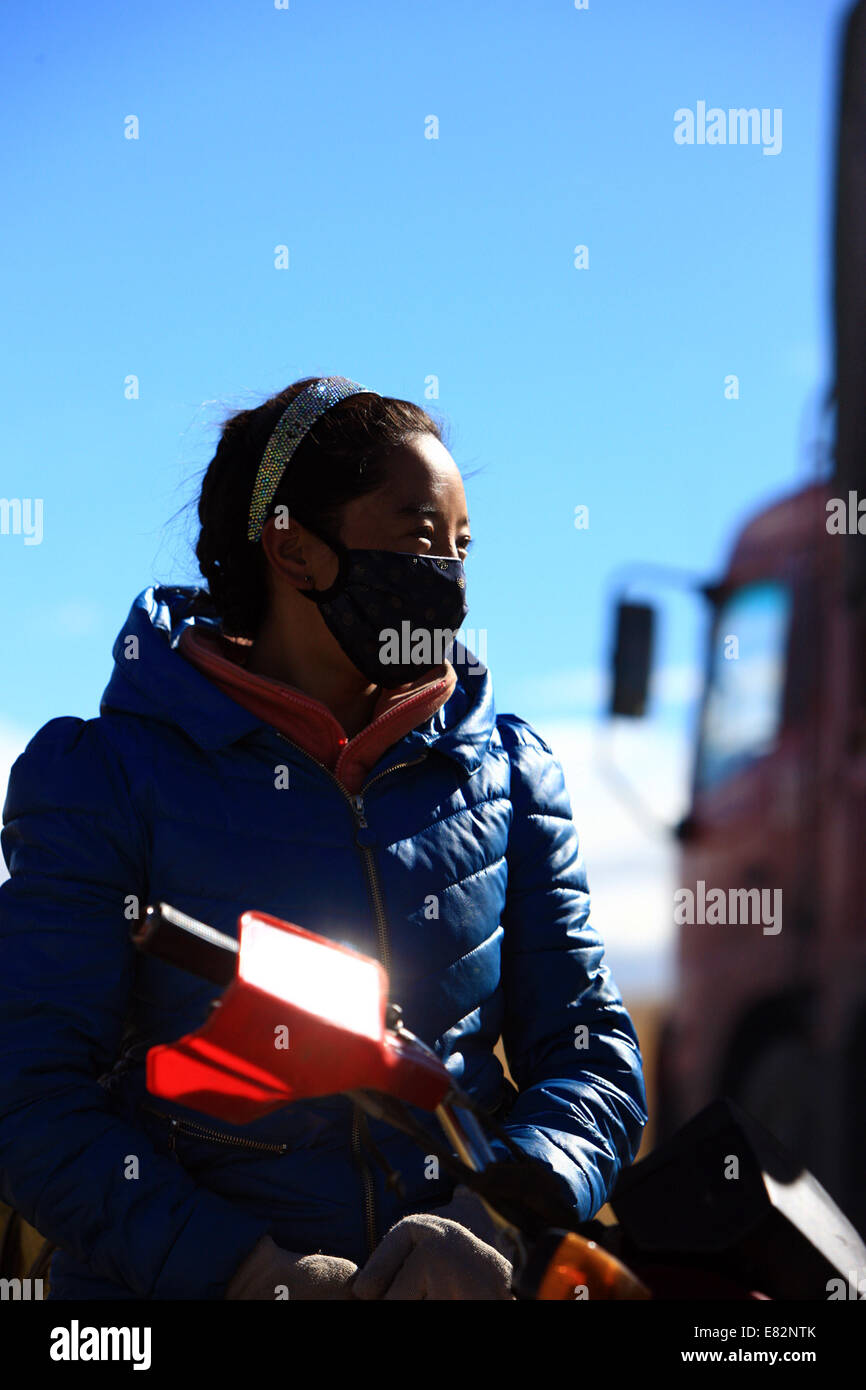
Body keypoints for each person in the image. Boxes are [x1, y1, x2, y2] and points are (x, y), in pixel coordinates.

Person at [0, 376, 648, 1301]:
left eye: (464, 548)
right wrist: (248, 1274)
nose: (451, 576)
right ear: (294, 548)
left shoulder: (511, 772)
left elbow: (591, 1057)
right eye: (423, 539)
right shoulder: (101, 777)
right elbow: (30, 1098)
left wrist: (496, 1221)